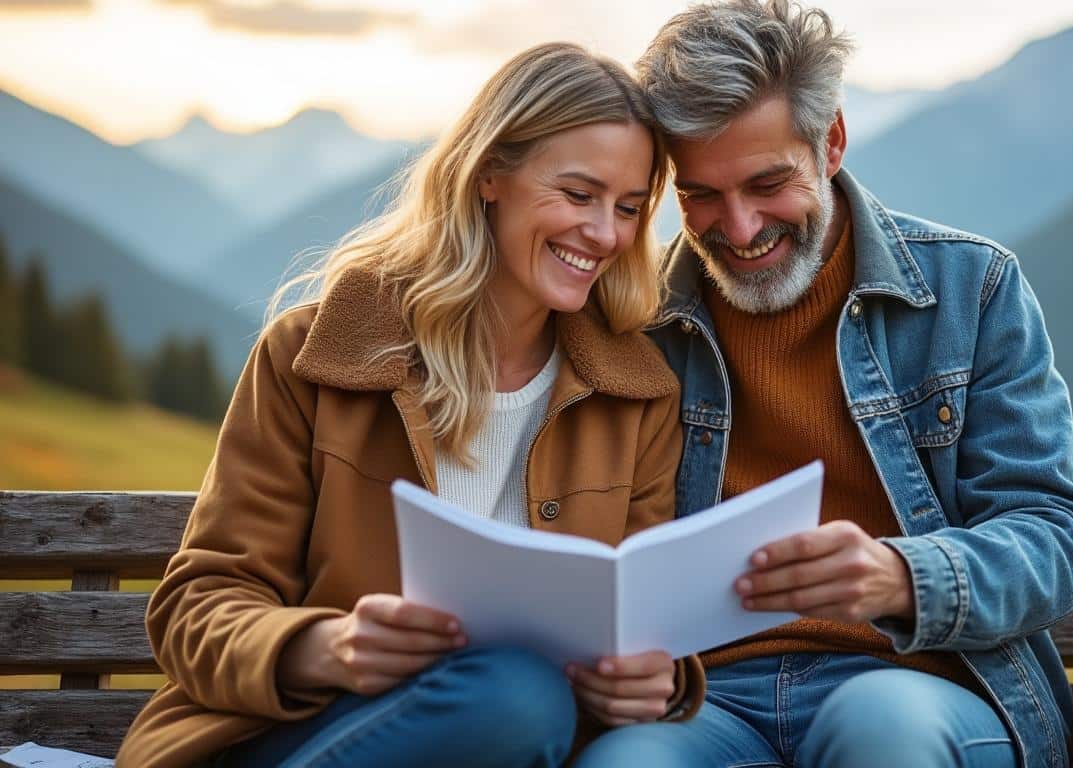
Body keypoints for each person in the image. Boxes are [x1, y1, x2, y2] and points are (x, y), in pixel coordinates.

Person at [116, 43, 705, 768]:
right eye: (578, 195)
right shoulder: (314, 355)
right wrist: (327, 648)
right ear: (490, 174)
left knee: (522, 698)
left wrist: (650, 682)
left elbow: (638, 619)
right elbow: (196, 607)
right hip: (298, 736)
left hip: (511, 736)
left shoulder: (637, 396)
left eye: (628, 208)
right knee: (518, 695)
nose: (606, 234)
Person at [574, 2, 1073, 767]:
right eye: (701, 196)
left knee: (879, 730)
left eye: (767, 183)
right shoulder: (636, 320)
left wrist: (901, 576)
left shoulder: (971, 288)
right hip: (706, 700)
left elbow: (1054, 536)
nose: (741, 227)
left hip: (915, 679)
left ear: (833, 144)